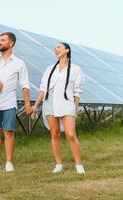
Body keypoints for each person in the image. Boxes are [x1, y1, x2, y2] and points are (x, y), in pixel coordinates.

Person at [31, 43, 86, 174]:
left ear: (67, 50)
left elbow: (77, 91)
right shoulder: (50, 68)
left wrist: (75, 107)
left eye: (59, 47)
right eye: (55, 47)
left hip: (66, 103)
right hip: (50, 102)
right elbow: (43, 88)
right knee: (54, 133)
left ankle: (79, 165)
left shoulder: (75, 69)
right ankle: (58, 164)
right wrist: (35, 105)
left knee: (71, 134)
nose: (56, 49)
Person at [0, 32, 32, 173]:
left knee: (9, 132)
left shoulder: (19, 63)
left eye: (3, 40)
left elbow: (25, 85)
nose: (0, 42)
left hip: (9, 103)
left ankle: (9, 163)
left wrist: (28, 105)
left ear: (11, 43)